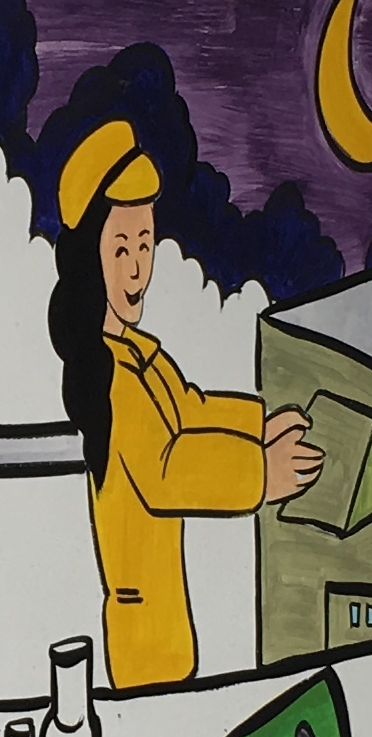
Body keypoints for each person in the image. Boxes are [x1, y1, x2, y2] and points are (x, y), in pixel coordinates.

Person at [46, 119, 319, 689]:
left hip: (167, 622)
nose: (137, 268)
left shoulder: (140, 354)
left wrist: (260, 424)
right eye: (120, 248)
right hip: (142, 636)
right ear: (88, 258)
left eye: (145, 245)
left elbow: (191, 410)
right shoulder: (109, 378)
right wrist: (260, 473)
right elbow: (166, 471)